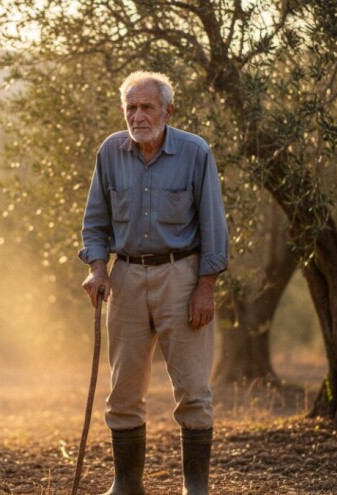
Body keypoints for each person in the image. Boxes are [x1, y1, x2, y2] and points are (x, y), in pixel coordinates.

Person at [78, 71, 229, 495]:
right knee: (123, 390)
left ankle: (195, 488)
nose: (138, 115)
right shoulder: (110, 151)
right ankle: (126, 486)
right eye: (131, 107)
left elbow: (214, 228)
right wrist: (97, 268)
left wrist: (205, 288)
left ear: (167, 110)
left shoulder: (195, 152)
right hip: (124, 278)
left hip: (181, 276)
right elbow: (94, 222)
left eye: (146, 106)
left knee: (193, 389)